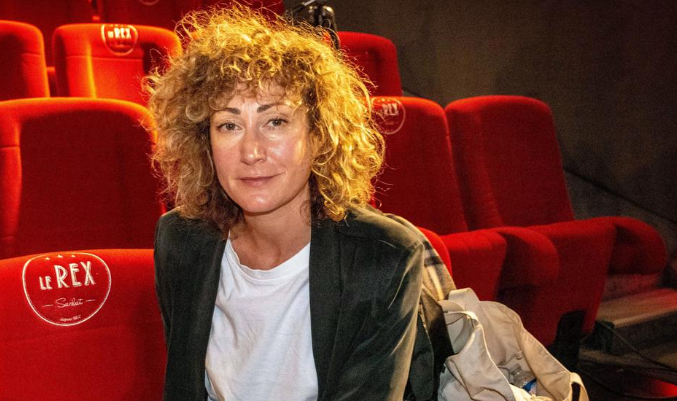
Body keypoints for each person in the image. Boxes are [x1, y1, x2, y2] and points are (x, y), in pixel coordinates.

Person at [147, 5, 453, 401]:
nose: (251, 151)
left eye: (275, 121)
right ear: (205, 142)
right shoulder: (181, 240)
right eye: (229, 125)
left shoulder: (382, 258)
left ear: (319, 136)